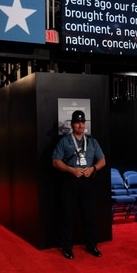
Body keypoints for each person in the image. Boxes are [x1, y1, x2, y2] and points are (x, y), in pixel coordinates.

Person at [52, 110, 106, 260]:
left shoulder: (92, 141)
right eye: (77, 122)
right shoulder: (65, 141)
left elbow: (102, 160)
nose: (80, 125)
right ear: (72, 124)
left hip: (88, 181)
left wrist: (93, 168)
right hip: (71, 181)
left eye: (82, 122)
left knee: (90, 215)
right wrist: (70, 169)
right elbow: (55, 161)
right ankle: (67, 248)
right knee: (68, 216)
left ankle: (92, 245)